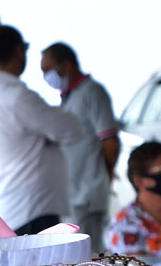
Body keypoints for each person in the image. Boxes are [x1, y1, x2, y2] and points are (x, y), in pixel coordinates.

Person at [0, 25, 86, 234]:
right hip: (31, 210)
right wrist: (45, 135)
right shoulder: (17, 97)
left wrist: (41, 134)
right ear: (18, 52)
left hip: (2, 206)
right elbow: (73, 128)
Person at [41, 43, 121, 252]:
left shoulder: (92, 93)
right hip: (73, 194)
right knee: (77, 264)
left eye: (47, 69)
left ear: (66, 65)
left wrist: (105, 174)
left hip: (87, 194)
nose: (45, 76)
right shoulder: (69, 97)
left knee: (89, 260)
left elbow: (110, 142)